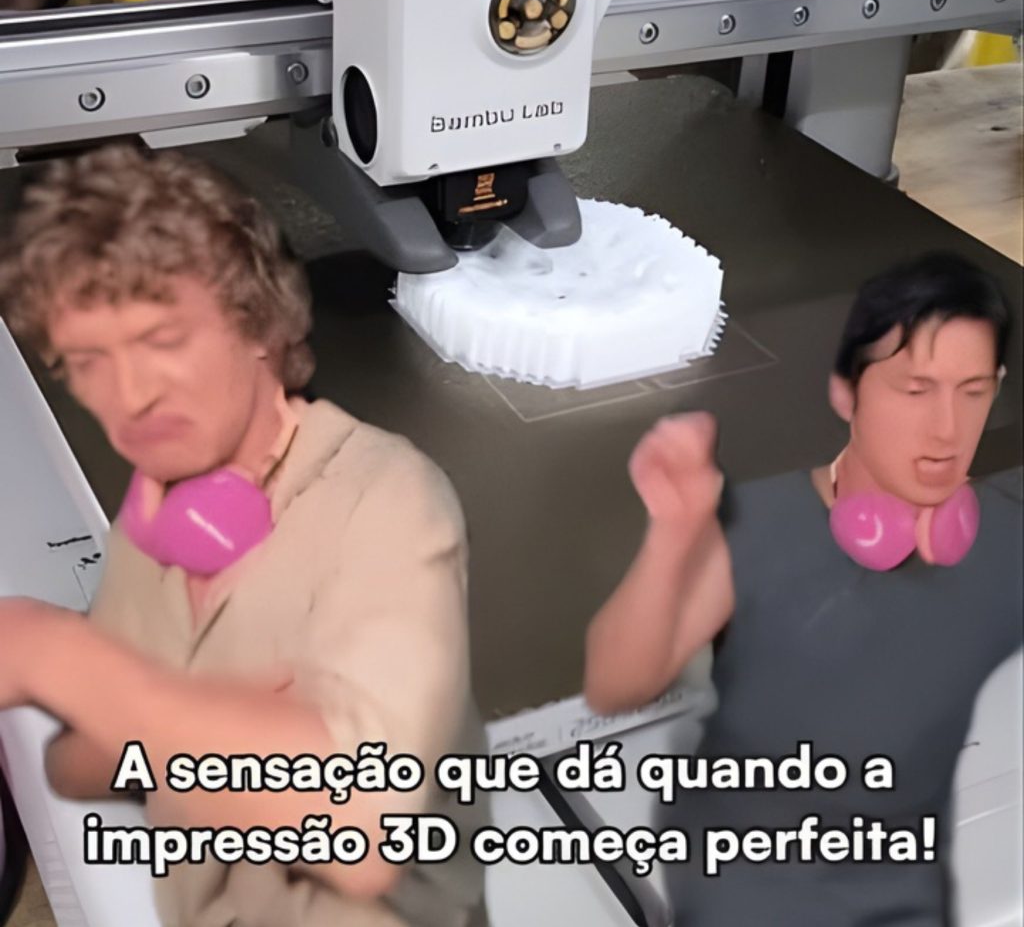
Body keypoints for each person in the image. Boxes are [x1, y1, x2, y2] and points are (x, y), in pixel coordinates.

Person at [0, 144, 487, 927]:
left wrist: (65, 660)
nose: (129, 396)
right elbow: (87, 764)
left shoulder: (385, 499)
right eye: (88, 361)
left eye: (163, 340)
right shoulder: (162, 506)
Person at [584, 252, 1022, 924]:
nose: (946, 430)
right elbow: (618, 684)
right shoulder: (759, 527)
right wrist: (673, 535)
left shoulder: (1005, 529)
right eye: (914, 390)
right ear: (848, 394)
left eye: (972, 393)